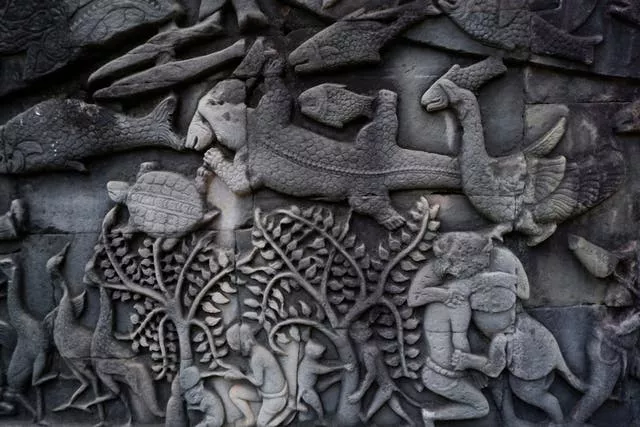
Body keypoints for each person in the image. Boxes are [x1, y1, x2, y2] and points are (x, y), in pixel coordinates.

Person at [225, 323, 290, 427]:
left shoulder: (257, 357)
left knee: (261, 424)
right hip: (262, 392)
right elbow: (256, 375)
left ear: (243, 343)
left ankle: (288, 410)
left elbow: (259, 382)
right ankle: (250, 419)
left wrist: (241, 376)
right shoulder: (254, 352)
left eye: (238, 349)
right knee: (234, 392)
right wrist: (240, 372)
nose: (238, 353)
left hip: (275, 397)